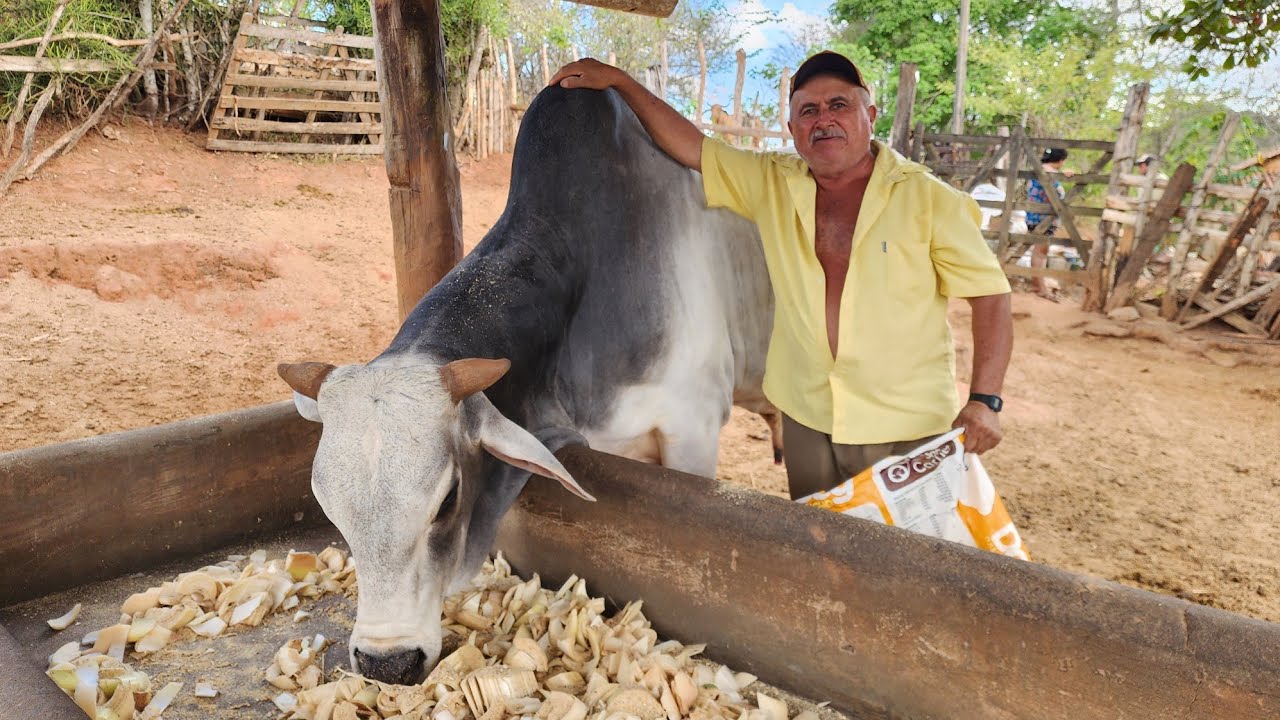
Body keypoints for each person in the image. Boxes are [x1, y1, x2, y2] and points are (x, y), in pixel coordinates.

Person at [549, 51, 1013, 500]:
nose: (823, 119)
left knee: (910, 567)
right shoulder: (772, 182)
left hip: (906, 427)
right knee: (815, 551)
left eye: (839, 105)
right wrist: (622, 82)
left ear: (870, 113)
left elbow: (991, 296)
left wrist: (985, 399)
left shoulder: (931, 201)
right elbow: (694, 147)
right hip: (807, 418)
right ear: (792, 128)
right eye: (808, 110)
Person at [1026, 148, 1068, 300]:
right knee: (1040, 252)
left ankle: (1037, 284)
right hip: (1044, 217)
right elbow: (1053, 193)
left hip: (1034, 215)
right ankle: (1042, 289)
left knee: (1037, 251)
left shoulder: (1039, 169)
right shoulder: (1049, 172)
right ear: (1061, 160)